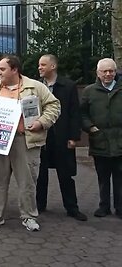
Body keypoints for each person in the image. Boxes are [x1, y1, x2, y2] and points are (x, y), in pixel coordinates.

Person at [0, 55, 60, 231]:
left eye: (2, 69)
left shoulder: (35, 87)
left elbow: (54, 105)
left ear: (14, 69)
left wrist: (42, 122)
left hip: (24, 141)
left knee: (27, 181)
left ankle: (29, 216)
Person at [36, 54, 87, 221]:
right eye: (39, 65)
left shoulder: (68, 86)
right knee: (40, 173)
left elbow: (74, 113)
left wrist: (74, 137)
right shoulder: (35, 87)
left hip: (62, 137)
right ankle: (39, 205)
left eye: (43, 65)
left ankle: (72, 208)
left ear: (53, 66)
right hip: (41, 137)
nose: (40, 68)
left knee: (65, 175)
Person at [80, 58, 122, 219]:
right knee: (103, 177)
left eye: (111, 71)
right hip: (100, 140)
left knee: (120, 177)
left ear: (115, 71)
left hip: (119, 140)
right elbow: (82, 113)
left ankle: (120, 207)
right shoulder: (89, 91)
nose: (108, 74)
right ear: (98, 73)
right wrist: (91, 128)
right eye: (104, 71)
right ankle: (104, 206)